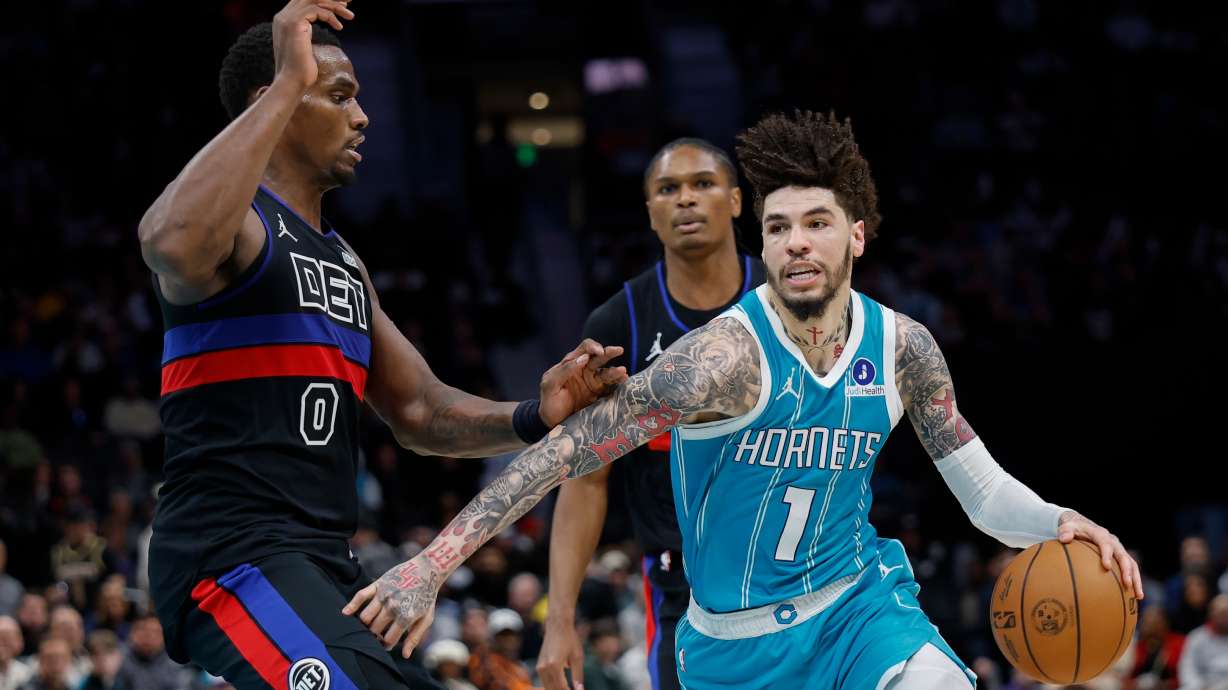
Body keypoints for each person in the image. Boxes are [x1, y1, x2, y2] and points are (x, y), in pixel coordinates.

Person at [344, 110, 1144, 690]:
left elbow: (981, 494)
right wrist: (430, 565)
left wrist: (1059, 522)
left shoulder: (905, 350)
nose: (797, 240)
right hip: (732, 651)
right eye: (780, 226)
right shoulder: (718, 360)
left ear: (856, 236)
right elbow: (562, 455)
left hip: (858, 613)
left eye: (818, 223)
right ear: (761, 242)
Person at [136, 2, 625, 688]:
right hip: (231, 556)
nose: (362, 117)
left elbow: (420, 411)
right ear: (270, 104)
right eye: (338, 96)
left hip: (322, 561)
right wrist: (284, 81)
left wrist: (534, 416)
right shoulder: (240, 228)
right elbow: (167, 240)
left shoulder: (343, 262)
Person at [538, 138, 764, 690]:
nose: (685, 199)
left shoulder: (785, 296)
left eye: (702, 184)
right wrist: (560, 620)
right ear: (651, 214)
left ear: (735, 201)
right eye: (668, 189)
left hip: (801, 572)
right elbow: (586, 480)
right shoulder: (621, 324)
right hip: (684, 590)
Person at [1177, 594, 1228, 690]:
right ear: (1211, 613)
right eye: (1221, 613)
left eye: (1226, 613)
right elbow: (1187, 668)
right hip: (1203, 685)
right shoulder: (1196, 637)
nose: (1224, 618)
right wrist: (1200, 686)